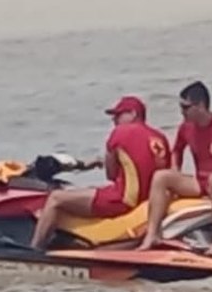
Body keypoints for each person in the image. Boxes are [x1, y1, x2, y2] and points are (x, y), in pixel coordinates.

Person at [29, 96, 171, 250]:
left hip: (123, 200)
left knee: (55, 198)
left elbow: (110, 174)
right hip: (149, 200)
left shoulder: (120, 132)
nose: (114, 120)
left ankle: (34, 250)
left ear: (133, 113)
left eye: (118, 115)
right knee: (89, 190)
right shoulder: (160, 137)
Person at [137, 81, 212, 257]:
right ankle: (152, 235)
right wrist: (175, 171)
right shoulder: (186, 128)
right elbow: (176, 151)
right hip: (202, 181)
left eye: (186, 107)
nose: (181, 111)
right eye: (180, 106)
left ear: (200, 106)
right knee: (161, 177)